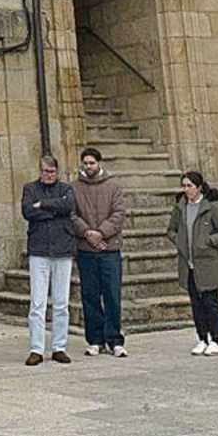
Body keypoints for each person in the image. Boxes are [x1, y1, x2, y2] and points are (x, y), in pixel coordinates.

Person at [72, 146, 129, 359]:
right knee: (90, 295)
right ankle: (95, 339)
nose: (89, 167)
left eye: (92, 163)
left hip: (109, 249)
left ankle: (115, 339)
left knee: (112, 295)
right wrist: (88, 233)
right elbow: (72, 215)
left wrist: (101, 233)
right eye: (85, 163)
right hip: (86, 250)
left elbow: (119, 213)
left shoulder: (113, 186)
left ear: (99, 163)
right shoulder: (74, 187)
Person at [168, 169, 218, 356]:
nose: (186, 189)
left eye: (190, 186)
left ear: (199, 187)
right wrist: (178, 241)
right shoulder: (180, 208)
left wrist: (210, 241)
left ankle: (216, 338)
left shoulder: (210, 207)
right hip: (188, 263)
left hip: (207, 263)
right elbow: (171, 229)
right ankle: (202, 337)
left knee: (210, 302)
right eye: (184, 186)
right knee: (196, 303)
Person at [22, 155, 75, 366]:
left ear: (57, 172)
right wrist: (54, 210)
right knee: (37, 303)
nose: (48, 175)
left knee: (61, 302)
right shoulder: (29, 188)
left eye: (52, 171)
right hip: (39, 249)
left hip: (62, 249)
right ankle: (36, 348)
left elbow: (68, 207)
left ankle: (59, 346)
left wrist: (42, 205)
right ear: (40, 171)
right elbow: (28, 212)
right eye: (45, 171)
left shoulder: (65, 189)